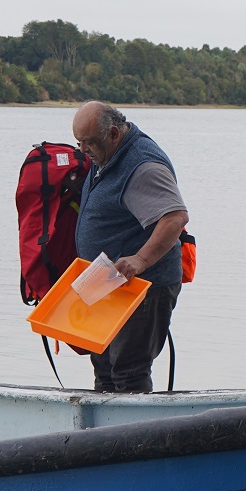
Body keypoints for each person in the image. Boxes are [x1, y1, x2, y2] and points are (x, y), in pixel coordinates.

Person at [71, 101, 189, 393]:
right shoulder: (107, 155)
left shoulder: (142, 166)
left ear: (113, 134)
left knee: (128, 373)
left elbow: (175, 217)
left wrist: (140, 259)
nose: (83, 151)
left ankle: (136, 438)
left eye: (89, 143)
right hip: (106, 283)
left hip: (143, 287)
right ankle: (104, 438)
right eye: (79, 143)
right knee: (105, 369)